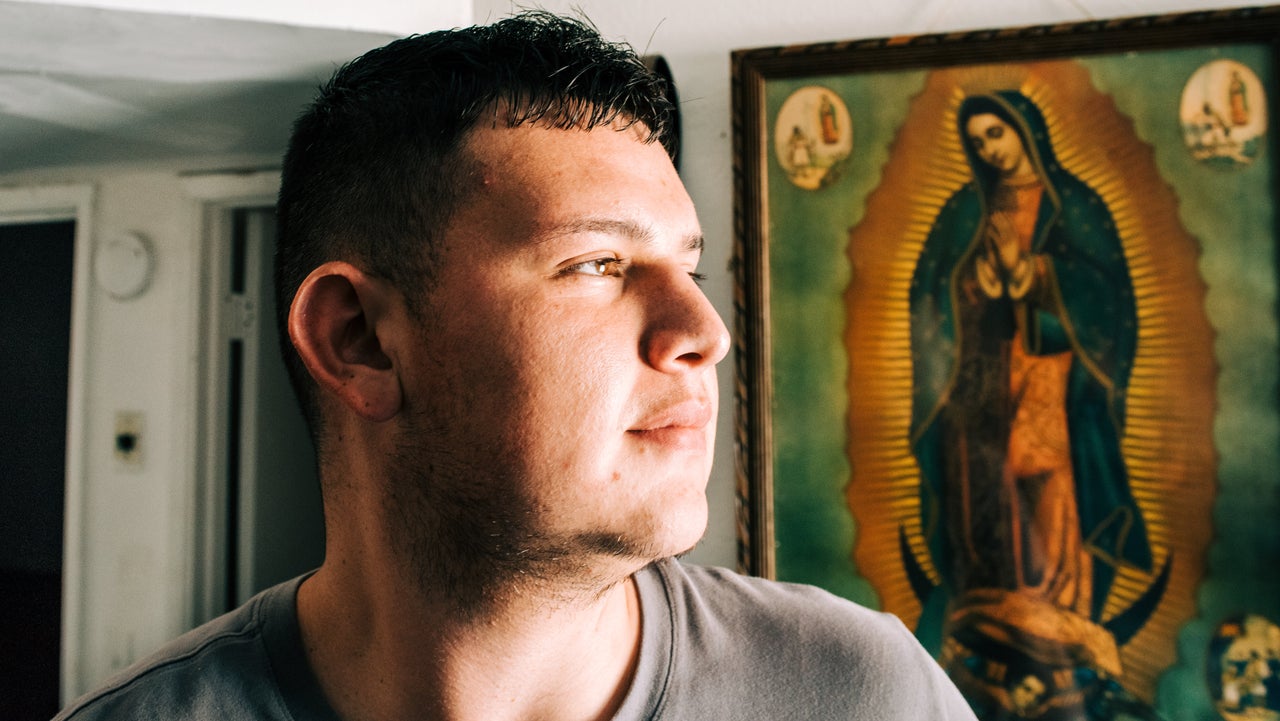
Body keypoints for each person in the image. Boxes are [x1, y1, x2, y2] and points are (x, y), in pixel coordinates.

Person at [54, 12, 976, 721]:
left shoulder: (864, 691)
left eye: (688, 269)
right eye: (595, 265)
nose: (702, 329)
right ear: (360, 340)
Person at [907, 90, 1154, 716]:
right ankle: (989, 624)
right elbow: (930, 296)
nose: (991, 148)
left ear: (1027, 130)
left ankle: (1059, 629)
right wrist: (976, 286)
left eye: (999, 134)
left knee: (1047, 490)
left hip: (1052, 382)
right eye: (981, 139)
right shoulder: (966, 210)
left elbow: (1110, 303)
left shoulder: (1078, 206)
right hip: (980, 385)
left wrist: (1039, 279)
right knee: (984, 495)